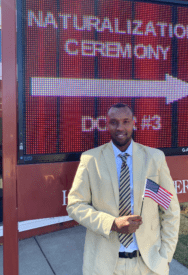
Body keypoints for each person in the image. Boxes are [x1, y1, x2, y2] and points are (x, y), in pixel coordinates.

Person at [67, 103, 180, 275]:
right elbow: (75, 205)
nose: (120, 127)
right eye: (114, 122)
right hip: (106, 266)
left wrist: (165, 257)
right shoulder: (91, 159)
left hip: (148, 264)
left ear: (134, 123)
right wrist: (112, 223)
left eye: (126, 121)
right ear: (106, 124)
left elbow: (170, 211)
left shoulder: (154, 159)